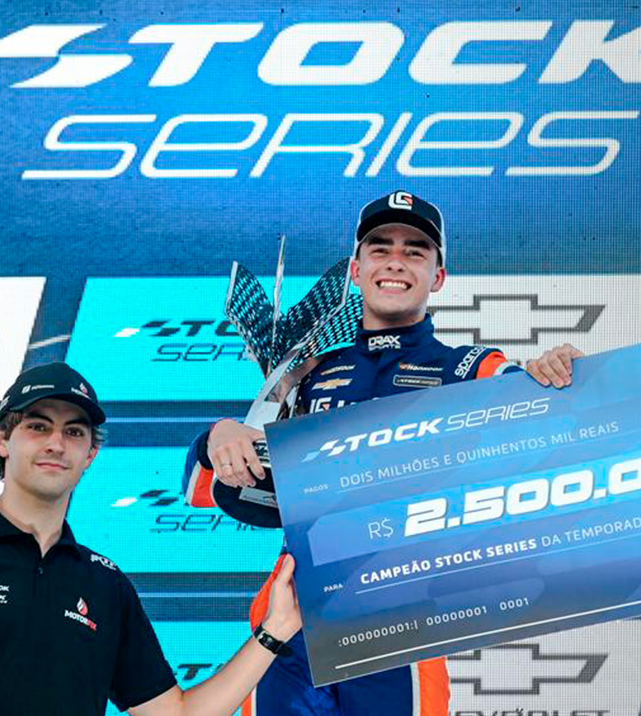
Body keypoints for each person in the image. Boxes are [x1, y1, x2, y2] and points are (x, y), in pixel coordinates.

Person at [181, 191, 583, 716]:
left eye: (415, 251)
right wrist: (220, 437)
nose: (396, 261)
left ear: (438, 277)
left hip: (402, 620)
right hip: (291, 618)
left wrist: (559, 373)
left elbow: (556, 414)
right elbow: (207, 489)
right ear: (356, 269)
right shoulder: (306, 373)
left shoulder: (470, 369)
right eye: (380, 248)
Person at [0, 362, 303, 716]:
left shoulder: (105, 584)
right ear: (1, 438)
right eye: (38, 427)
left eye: (74, 432)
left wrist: (275, 630)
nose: (56, 444)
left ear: (90, 455)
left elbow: (175, 714)